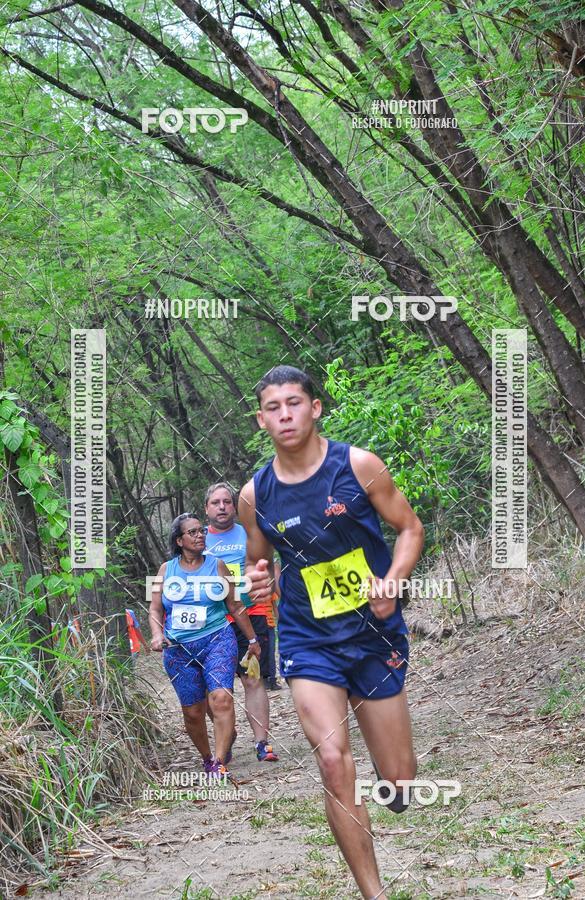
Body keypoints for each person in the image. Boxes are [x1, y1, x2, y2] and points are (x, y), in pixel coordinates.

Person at [240, 365, 424, 900]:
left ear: (315, 408)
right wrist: (257, 579)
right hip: (307, 639)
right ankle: (374, 894)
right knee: (332, 760)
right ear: (261, 420)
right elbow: (259, 565)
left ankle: (397, 785)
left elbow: (409, 528)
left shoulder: (359, 466)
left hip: (374, 635)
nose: (285, 415)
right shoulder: (256, 495)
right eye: (273, 408)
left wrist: (392, 582)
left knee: (398, 781)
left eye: (294, 403)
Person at [149, 513, 260, 776]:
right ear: (179, 540)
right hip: (178, 649)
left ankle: (218, 764)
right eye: (193, 532)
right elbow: (154, 609)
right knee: (193, 713)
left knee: (221, 699)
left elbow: (235, 604)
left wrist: (253, 639)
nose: (200, 535)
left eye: (202, 531)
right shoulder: (166, 570)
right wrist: (156, 634)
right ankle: (208, 756)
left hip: (216, 639)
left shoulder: (216, 565)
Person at [204, 483, 279, 762]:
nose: (222, 507)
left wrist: (269, 585)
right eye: (216, 502)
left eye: (227, 501)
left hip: (253, 612)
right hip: (215, 620)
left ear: (234, 507)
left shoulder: (249, 533)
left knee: (252, 678)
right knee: (215, 687)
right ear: (206, 508)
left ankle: (262, 743)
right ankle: (228, 732)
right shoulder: (198, 539)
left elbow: (270, 564)